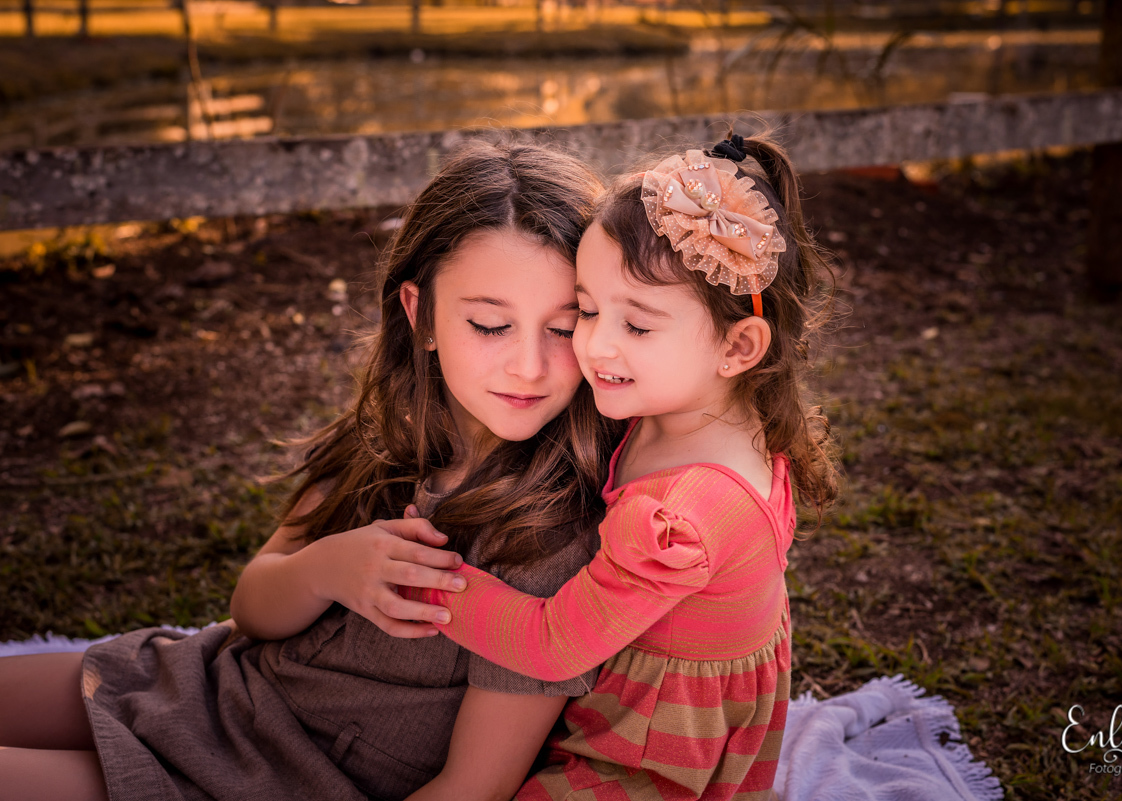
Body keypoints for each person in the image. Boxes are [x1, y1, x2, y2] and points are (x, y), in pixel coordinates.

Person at [0, 140, 624, 801]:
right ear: (422, 315)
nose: (529, 365)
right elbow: (251, 608)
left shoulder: (548, 538)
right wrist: (328, 569)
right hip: (208, 682)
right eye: (490, 324)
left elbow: (474, 785)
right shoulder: (388, 444)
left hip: (269, 776)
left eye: (563, 327)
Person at [407, 134, 841, 800]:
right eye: (586, 309)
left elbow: (552, 645)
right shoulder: (688, 408)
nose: (593, 343)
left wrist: (430, 583)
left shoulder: (686, 516)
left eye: (636, 326)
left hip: (650, 757)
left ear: (737, 345)